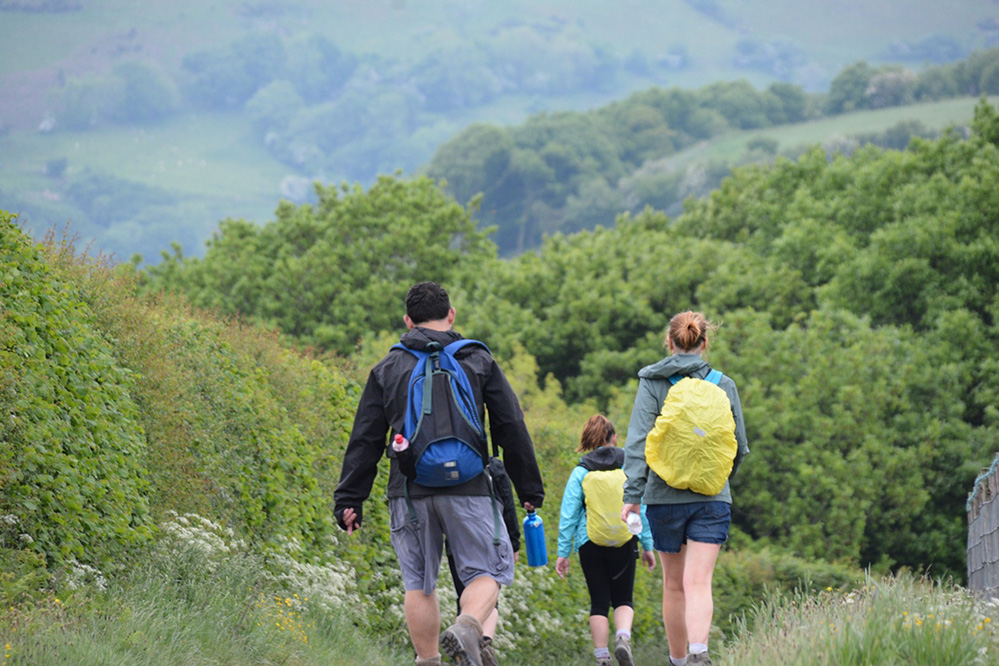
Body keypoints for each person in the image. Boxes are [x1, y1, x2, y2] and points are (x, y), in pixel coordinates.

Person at [334, 281, 545, 666]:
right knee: (487, 573)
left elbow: (365, 438)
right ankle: (468, 625)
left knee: (419, 583)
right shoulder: (478, 360)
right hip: (471, 487)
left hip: (410, 491)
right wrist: (529, 488)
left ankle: (429, 662)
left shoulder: (388, 367)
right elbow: (510, 425)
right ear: (451, 316)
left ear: (408, 321)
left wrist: (349, 499)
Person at [620, 311, 748, 666]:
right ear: (705, 343)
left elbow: (638, 443)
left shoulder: (652, 382)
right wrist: (717, 477)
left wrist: (632, 496)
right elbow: (738, 445)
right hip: (711, 497)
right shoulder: (724, 384)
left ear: (669, 343)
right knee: (699, 581)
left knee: (674, 584)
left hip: (664, 498)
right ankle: (699, 652)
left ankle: (678, 661)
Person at [555, 414, 657, 666]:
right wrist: (647, 545)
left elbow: (569, 514)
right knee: (623, 598)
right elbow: (639, 508)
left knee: (599, 602)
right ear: (614, 438)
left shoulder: (581, 471)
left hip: (590, 542)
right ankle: (623, 638)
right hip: (624, 540)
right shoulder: (628, 467)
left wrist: (563, 552)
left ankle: (602, 659)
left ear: (588, 440)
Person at [446, 456, 521, 666]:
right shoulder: (492, 464)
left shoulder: (446, 465)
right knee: (490, 591)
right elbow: (507, 501)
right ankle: (482, 644)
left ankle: (466, 644)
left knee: (464, 594)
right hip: (490, 535)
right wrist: (514, 541)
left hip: (456, 541)